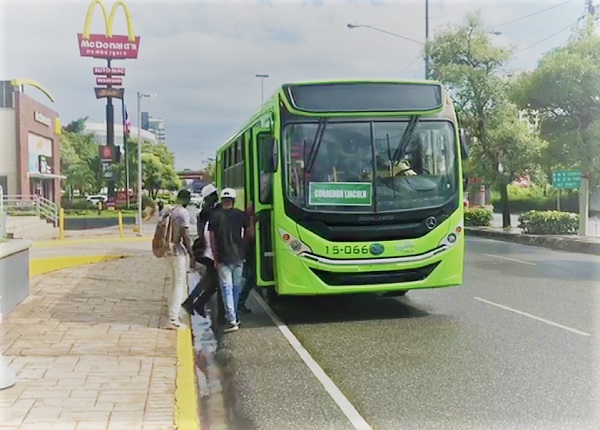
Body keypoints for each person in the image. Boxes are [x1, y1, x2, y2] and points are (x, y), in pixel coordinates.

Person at [208, 188, 253, 333]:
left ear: (222, 200)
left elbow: (212, 239)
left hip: (222, 257)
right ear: (233, 201)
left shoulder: (215, 216)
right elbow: (250, 234)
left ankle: (232, 319)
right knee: (235, 288)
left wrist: (215, 257)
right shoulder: (241, 215)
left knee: (226, 288)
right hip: (238, 256)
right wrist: (242, 246)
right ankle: (235, 317)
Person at [181, 184, 222, 317]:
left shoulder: (206, 210)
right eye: (214, 195)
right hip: (209, 250)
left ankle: (197, 303)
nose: (217, 197)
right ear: (210, 197)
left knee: (212, 280)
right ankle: (192, 302)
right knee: (211, 280)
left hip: (207, 249)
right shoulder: (209, 211)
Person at [166, 189, 195, 329]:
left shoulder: (168, 210)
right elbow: (186, 237)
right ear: (187, 199)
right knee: (179, 284)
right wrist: (192, 253)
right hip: (178, 251)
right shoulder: (183, 212)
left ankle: (172, 312)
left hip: (167, 250)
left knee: (172, 283)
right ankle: (173, 318)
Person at [237, 204, 257, 314]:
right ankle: (239, 303)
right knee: (248, 278)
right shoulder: (247, 220)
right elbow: (251, 236)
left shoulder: (241, 218)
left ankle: (238, 303)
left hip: (243, 253)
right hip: (245, 253)